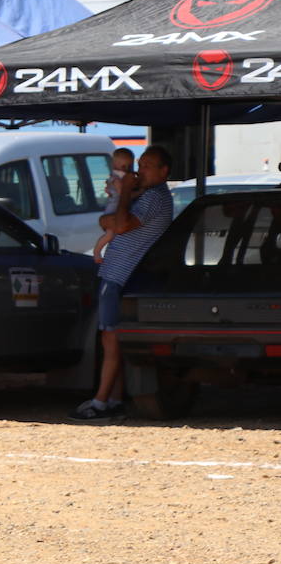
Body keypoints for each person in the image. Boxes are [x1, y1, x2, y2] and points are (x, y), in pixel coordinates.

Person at [69, 144, 175, 423]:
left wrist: (125, 189)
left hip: (119, 275)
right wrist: (114, 217)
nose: (140, 171)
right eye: (140, 165)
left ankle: (101, 401)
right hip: (115, 273)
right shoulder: (150, 196)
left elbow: (121, 223)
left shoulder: (153, 197)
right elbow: (110, 221)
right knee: (110, 340)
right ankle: (113, 398)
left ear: (164, 171)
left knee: (111, 340)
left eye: (147, 166)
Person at [92, 148, 138, 264]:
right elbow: (124, 194)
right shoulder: (117, 180)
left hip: (115, 208)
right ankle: (97, 252)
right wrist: (139, 192)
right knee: (109, 234)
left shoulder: (116, 177)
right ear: (115, 164)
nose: (126, 169)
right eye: (123, 166)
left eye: (129, 166)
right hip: (112, 210)